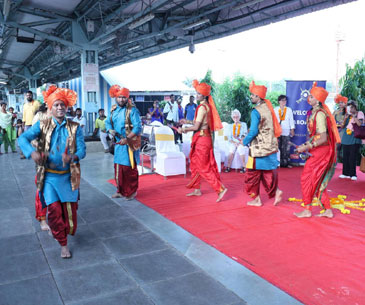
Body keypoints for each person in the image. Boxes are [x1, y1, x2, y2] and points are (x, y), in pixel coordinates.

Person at [18, 85, 85, 258]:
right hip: (48, 177)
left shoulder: (75, 127)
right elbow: (22, 138)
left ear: (67, 107)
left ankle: (61, 233)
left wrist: (72, 158)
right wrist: (31, 152)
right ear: (50, 107)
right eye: (56, 105)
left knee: (69, 213)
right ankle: (63, 244)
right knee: (54, 210)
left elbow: (83, 150)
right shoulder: (42, 125)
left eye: (62, 104)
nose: (60, 107)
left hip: (69, 177)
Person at [295, 83, 340, 218]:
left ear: (318, 99)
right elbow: (316, 136)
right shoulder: (315, 113)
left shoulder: (320, 114)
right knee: (318, 181)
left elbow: (323, 138)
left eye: (311, 96)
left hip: (322, 152)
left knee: (307, 178)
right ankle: (327, 209)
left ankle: (307, 210)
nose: (309, 98)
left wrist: (307, 146)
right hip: (319, 150)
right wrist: (305, 145)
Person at [181, 79, 227, 202]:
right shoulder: (206, 106)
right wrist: (188, 121)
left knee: (203, 167)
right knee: (196, 164)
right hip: (202, 138)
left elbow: (196, 127)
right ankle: (197, 189)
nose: (196, 96)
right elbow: (200, 123)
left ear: (204, 95)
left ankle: (220, 189)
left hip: (202, 140)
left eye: (198, 94)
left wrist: (184, 130)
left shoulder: (202, 107)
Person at [243, 81, 283, 207]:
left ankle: (257, 199)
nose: (251, 97)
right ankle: (276, 192)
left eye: (253, 95)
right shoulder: (267, 107)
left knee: (252, 174)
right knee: (267, 172)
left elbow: (254, 130)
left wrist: (244, 141)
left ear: (259, 97)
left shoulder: (256, 111)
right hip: (270, 146)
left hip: (258, 148)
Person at [105, 85, 142, 200]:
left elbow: (137, 127)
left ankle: (131, 191)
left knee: (129, 169)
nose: (121, 99)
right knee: (118, 169)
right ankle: (120, 191)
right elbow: (107, 122)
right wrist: (110, 129)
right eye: (119, 97)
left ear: (127, 98)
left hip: (129, 144)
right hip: (118, 144)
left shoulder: (132, 110)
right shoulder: (113, 110)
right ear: (116, 97)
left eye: (124, 97)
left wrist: (127, 139)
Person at [339, 100, 364, 181]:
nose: (350, 109)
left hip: (354, 138)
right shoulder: (347, 115)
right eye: (349, 107)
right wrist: (346, 117)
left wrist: (353, 115)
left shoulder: (359, 113)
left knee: (352, 157)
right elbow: (342, 127)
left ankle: (353, 174)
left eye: (351, 107)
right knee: (345, 156)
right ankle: (345, 173)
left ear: (355, 107)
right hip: (346, 137)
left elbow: (360, 124)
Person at [274, 95, 295, 168]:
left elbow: (291, 120)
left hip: (286, 130)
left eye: (285, 100)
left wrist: (292, 129)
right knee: (278, 147)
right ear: (279, 101)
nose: (284, 102)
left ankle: (286, 163)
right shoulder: (275, 109)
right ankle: (278, 163)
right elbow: (273, 120)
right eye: (282, 100)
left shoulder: (289, 109)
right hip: (278, 131)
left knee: (286, 148)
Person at [225, 109, 248, 173]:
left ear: (239, 117)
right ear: (232, 118)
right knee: (231, 150)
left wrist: (240, 142)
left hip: (241, 141)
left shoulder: (243, 124)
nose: (236, 118)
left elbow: (245, 134)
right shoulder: (230, 126)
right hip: (233, 142)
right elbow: (229, 137)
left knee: (240, 149)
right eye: (234, 117)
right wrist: (235, 143)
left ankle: (244, 167)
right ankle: (228, 167)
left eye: (237, 117)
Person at [333, 94, 348, 162]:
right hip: (336, 131)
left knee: (344, 149)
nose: (340, 104)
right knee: (336, 148)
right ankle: (334, 162)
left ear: (345, 103)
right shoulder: (335, 111)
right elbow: (331, 120)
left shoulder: (347, 112)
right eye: (339, 102)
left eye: (342, 102)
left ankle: (345, 162)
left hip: (344, 132)